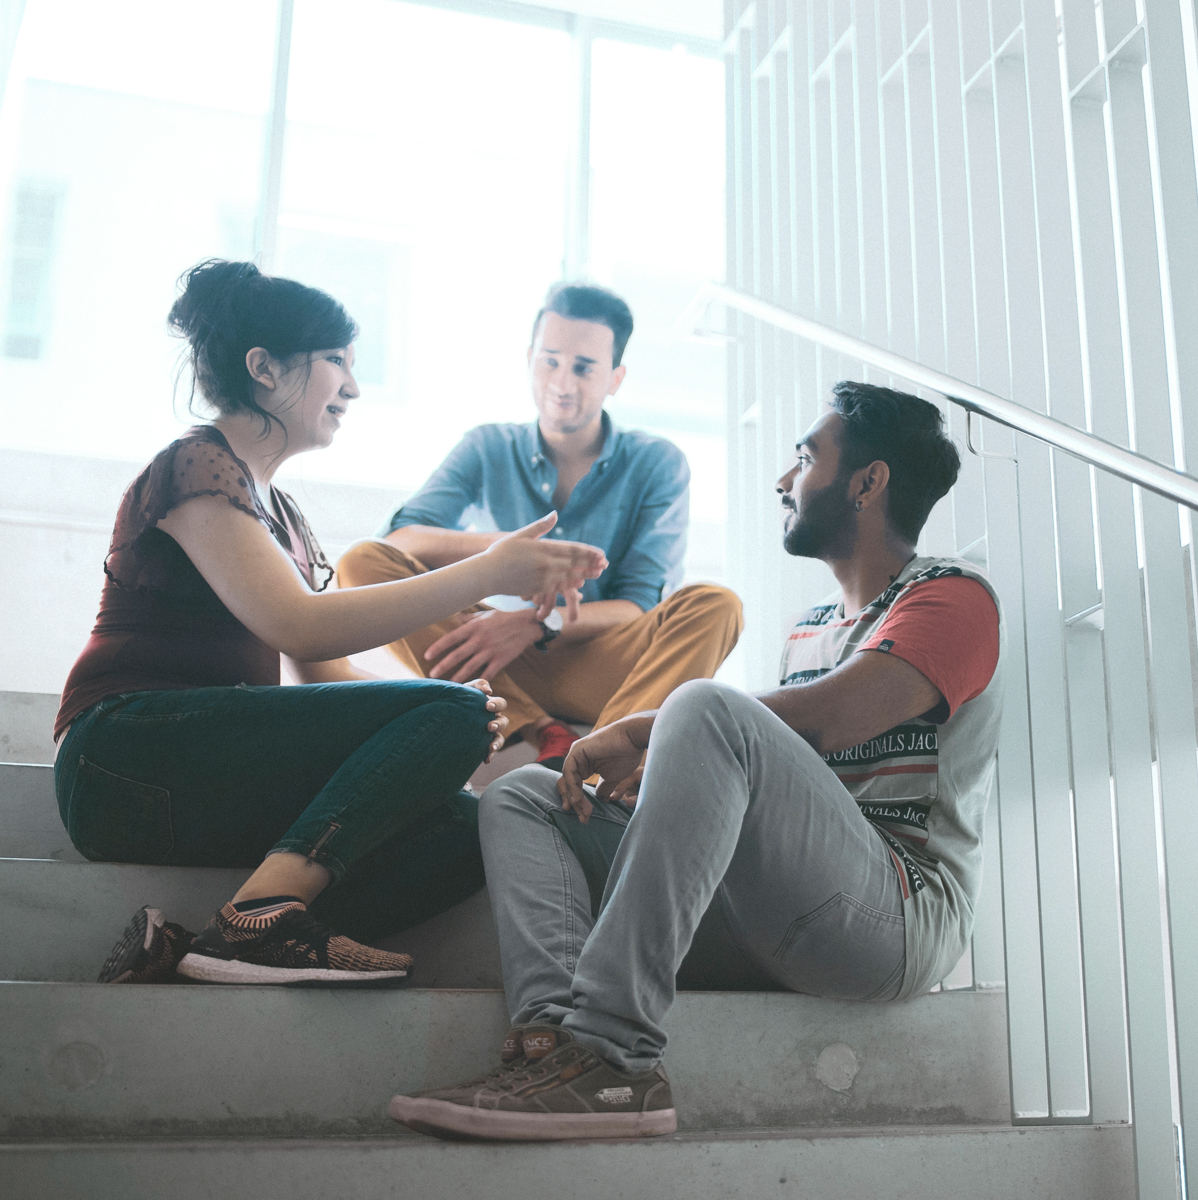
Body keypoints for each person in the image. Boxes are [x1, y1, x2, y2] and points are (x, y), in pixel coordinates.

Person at [389, 381, 1004, 1141]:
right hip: (783, 909)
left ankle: (610, 1056)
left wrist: (653, 726)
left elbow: (834, 718)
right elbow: (779, 787)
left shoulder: (952, 598)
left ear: (867, 482)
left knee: (704, 705)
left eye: (806, 459)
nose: (784, 480)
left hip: (896, 918)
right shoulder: (811, 628)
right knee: (522, 795)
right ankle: (551, 1047)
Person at [57, 260, 606, 988]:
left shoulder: (285, 518)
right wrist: (487, 575)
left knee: (479, 821)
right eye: (336, 363)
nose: (352, 385)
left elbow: (329, 679)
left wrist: (436, 736)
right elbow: (301, 627)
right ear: (263, 367)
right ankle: (261, 913)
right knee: (453, 711)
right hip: (122, 761)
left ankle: (225, 939)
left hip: (208, 775)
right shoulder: (196, 465)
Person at [336, 283, 742, 773]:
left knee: (717, 604)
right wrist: (499, 555)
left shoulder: (657, 462)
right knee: (361, 561)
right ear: (529, 358)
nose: (562, 383)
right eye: (549, 360)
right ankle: (539, 728)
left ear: (615, 378)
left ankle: (599, 759)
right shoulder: (487, 446)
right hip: (493, 658)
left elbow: (638, 604)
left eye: (584, 368)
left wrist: (534, 623)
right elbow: (400, 542)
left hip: (596, 658)